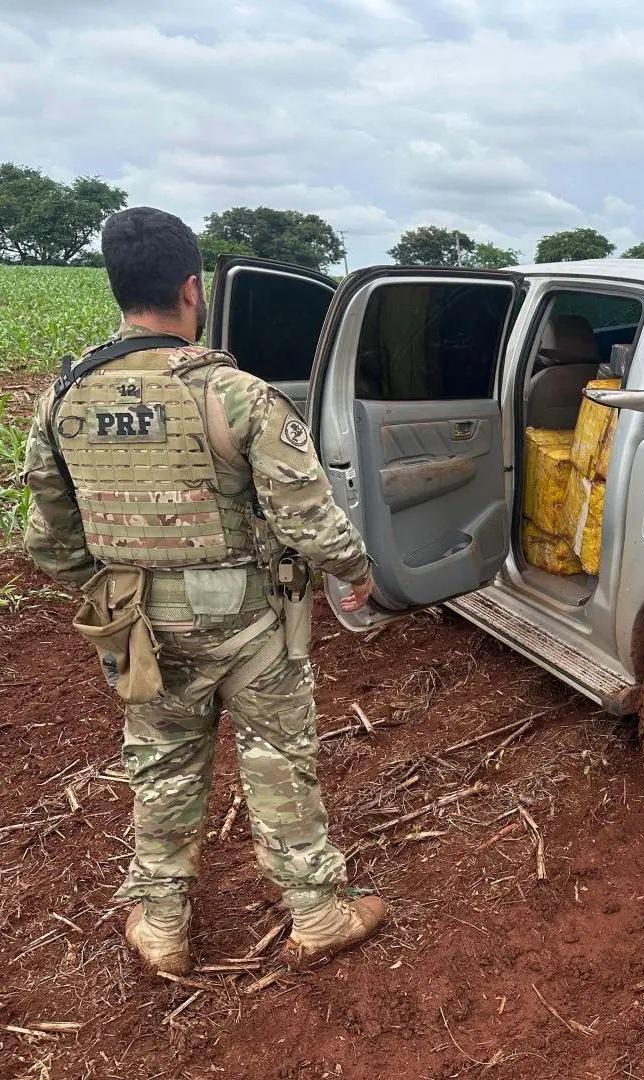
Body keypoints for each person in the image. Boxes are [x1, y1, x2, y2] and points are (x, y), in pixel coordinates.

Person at [21, 206, 386, 976]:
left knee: (160, 761)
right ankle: (316, 912)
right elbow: (311, 524)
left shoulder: (62, 398)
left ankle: (159, 923)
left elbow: (49, 544)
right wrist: (359, 574)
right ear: (194, 290)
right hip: (250, 621)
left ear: (117, 287)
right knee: (278, 759)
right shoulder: (237, 394)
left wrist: (121, 586)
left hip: (138, 626)